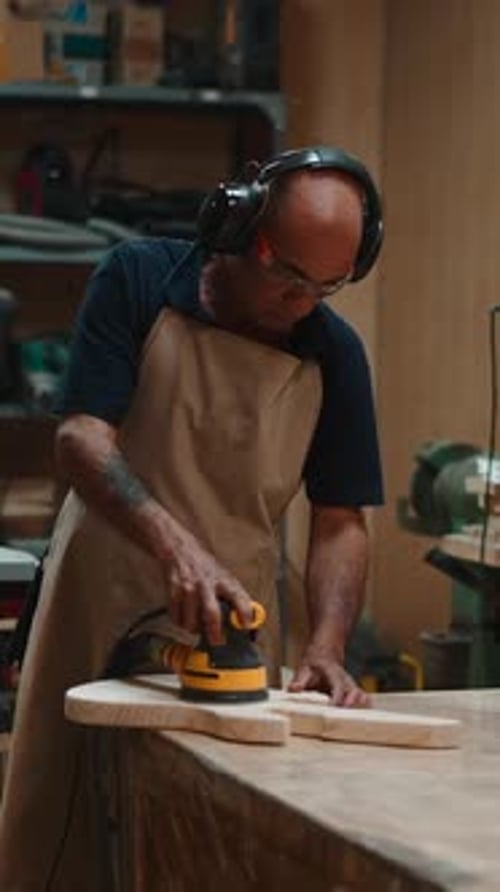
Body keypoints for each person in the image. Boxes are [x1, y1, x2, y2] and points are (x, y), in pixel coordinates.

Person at [0, 145, 384, 891]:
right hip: (97, 591)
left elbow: (341, 519)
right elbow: (80, 439)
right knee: (58, 829)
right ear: (238, 226)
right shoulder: (140, 279)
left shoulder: (334, 354)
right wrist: (177, 546)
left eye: (325, 287)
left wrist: (328, 645)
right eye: (287, 277)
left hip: (230, 619)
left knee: (212, 847)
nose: (299, 304)